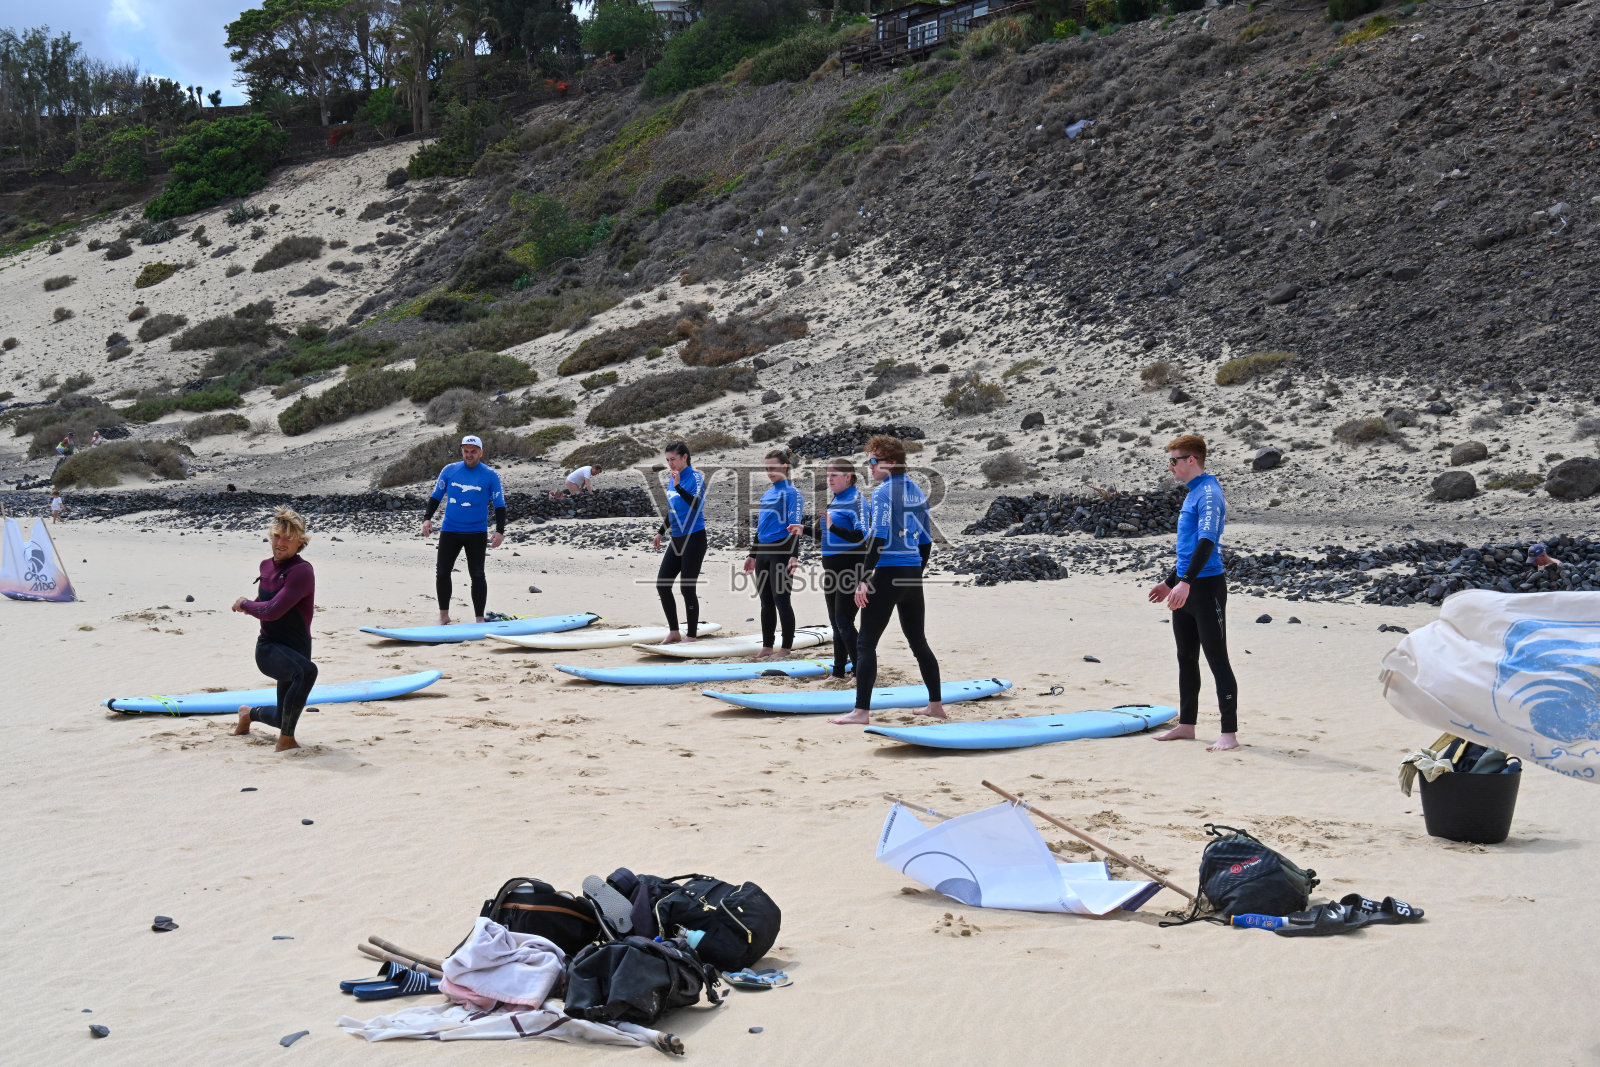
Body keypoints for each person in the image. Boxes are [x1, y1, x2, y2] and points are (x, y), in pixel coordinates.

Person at [830, 435, 944, 726]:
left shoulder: (883, 492)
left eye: (873, 460)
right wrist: (914, 575)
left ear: (891, 463)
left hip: (887, 572)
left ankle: (861, 712)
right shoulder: (917, 490)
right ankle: (935, 705)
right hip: (911, 576)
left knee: (866, 643)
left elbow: (878, 537)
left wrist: (865, 578)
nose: (869, 466)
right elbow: (926, 541)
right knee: (918, 641)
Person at [1147, 433, 1239, 752]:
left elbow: (1206, 542)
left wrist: (1185, 582)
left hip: (1206, 587)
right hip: (1186, 584)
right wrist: (1170, 582)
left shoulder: (1210, 493)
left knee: (1217, 658)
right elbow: (1187, 551)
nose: (1170, 466)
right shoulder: (1192, 492)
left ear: (1191, 461)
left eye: (1174, 460)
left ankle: (1229, 733)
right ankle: (1187, 725)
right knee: (1186, 657)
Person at [231, 507, 317, 752]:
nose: (280, 543)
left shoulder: (302, 571)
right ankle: (286, 742)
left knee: (282, 717)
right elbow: (265, 606)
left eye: (288, 538)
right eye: (277, 536)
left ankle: (248, 714)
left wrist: (244, 604)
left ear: (299, 542)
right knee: (307, 673)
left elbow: (271, 610)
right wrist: (252, 605)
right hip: (269, 649)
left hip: (297, 650)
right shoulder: (265, 567)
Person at [788, 457, 866, 678]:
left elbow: (862, 537)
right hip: (832, 571)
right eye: (827, 475)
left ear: (848, 477)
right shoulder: (837, 500)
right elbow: (826, 534)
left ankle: (861, 671)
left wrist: (835, 527)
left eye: (833, 475)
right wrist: (804, 529)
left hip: (851, 569)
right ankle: (839, 671)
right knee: (836, 624)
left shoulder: (857, 501)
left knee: (844, 622)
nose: (828, 479)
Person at [422, 435, 506, 625]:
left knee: (477, 575)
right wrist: (427, 518)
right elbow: (436, 496)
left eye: (473, 451)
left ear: (481, 453)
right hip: (450, 530)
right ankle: (443, 615)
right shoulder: (449, 470)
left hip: (476, 532)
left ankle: (479, 619)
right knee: (442, 572)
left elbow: (500, 504)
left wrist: (500, 530)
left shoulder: (490, 475)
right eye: (466, 451)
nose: (469, 455)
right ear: (462, 451)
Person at [744, 448, 804, 659]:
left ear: (785, 466)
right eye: (767, 468)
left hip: (782, 550)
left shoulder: (793, 493)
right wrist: (752, 554)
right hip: (763, 553)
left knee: (781, 600)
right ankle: (767, 646)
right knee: (766, 602)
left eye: (774, 468)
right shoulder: (768, 493)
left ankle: (786, 648)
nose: (770, 472)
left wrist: (793, 555)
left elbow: (796, 526)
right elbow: (762, 527)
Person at [653, 442, 708, 643]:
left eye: (673, 459)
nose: (670, 464)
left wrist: (678, 486)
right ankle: (674, 631)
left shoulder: (696, 478)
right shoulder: (673, 478)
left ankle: (691, 635)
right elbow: (673, 508)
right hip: (676, 538)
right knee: (662, 584)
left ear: (685, 457)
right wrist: (661, 532)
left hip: (694, 537)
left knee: (687, 588)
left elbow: (696, 505)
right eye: (667, 460)